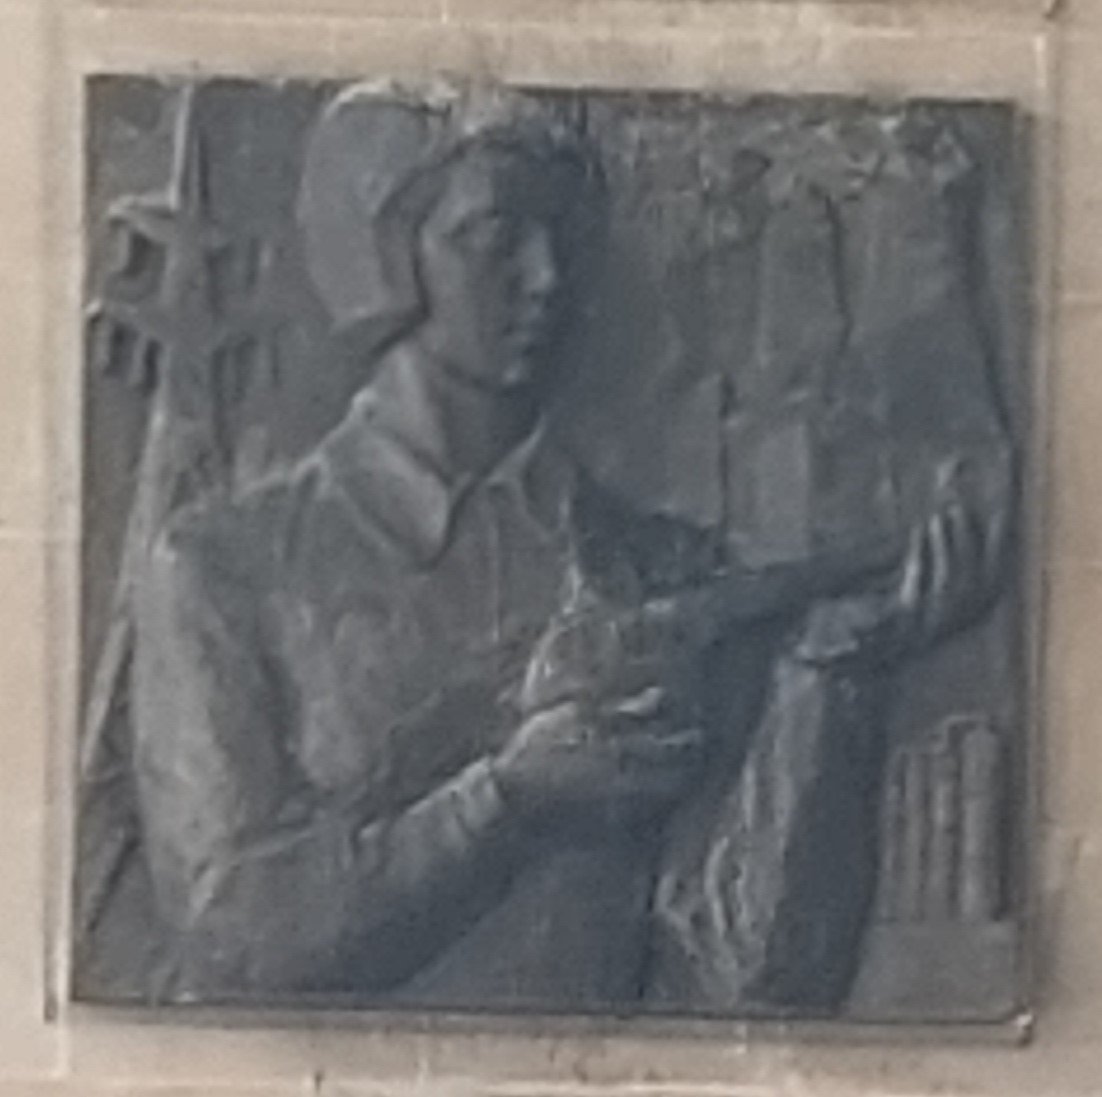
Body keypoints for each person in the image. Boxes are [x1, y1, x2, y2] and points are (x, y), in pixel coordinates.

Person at [129, 92, 711, 1005]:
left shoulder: (653, 563)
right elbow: (233, 933)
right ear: (385, 262)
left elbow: (750, 971)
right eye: (496, 237)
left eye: (560, 236)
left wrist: (829, 684)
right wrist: (504, 797)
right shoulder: (225, 569)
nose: (547, 276)